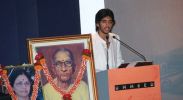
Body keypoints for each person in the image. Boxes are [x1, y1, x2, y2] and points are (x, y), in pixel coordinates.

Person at [92, 8, 124, 72]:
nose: (107, 25)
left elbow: (119, 61)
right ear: (97, 24)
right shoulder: (90, 40)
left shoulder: (115, 38)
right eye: (104, 21)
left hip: (114, 78)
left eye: (110, 22)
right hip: (98, 78)